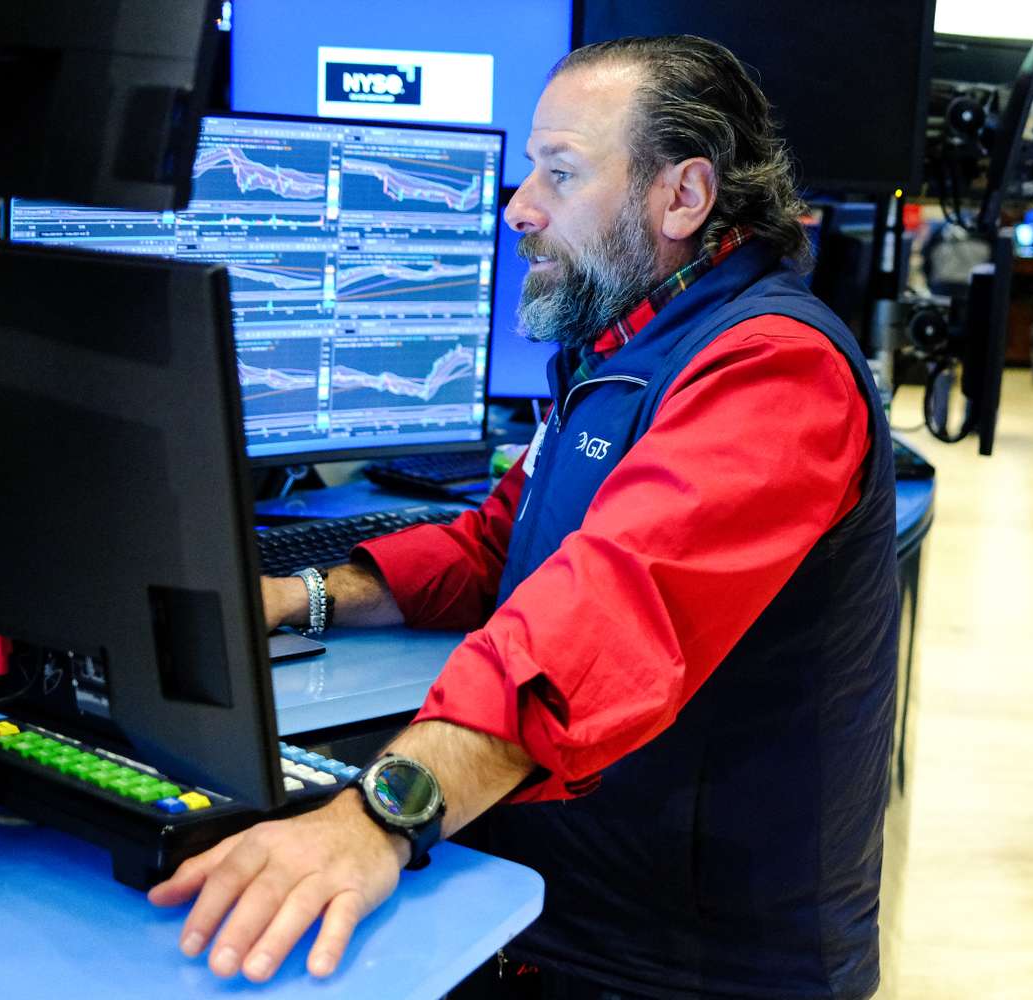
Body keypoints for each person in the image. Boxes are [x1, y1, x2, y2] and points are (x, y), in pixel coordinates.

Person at [147, 35, 899, 999]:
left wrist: (376, 817)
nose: (519, 208)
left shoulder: (773, 372)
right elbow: (498, 545)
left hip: (688, 963)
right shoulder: (623, 351)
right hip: (562, 907)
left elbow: (605, 617)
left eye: (560, 172)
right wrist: (297, 596)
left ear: (684, 196)